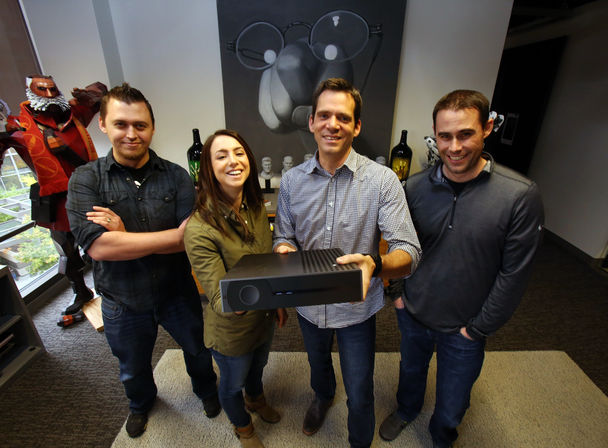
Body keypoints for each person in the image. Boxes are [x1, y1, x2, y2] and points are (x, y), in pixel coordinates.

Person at [378, 90, 544, 448]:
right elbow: (395, 246)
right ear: (435, 136)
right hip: (414, 312)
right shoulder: (413, 188)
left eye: (465, 134)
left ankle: (442, 436)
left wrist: (478, 328)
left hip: (466, 325)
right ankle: (406, 410)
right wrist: (398, 296)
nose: (454, 147)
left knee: (453, 400)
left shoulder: (519, 196)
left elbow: (514, 274)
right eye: (445, 136)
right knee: (410, 371)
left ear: (487, 128)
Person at [273, 78, 421, 448]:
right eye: (324, 115)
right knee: (318, 366)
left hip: (356, 308)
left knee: (360, 389)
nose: (332, 124)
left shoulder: (383, 181)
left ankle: (358, 441)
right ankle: (322, 397)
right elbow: (283, 236)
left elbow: (409, 250)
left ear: (356, 126)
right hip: (309, 305)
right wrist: (284, 249)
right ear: (311, 122)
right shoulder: (291, 182)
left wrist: (376, 264)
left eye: (343, 117)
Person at [65, 83, 219, 438]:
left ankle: (207, 391)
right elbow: (99, 248)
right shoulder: (85, 180)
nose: (131, 134)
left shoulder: (177, 176)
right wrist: (163, 238)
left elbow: (188, 240)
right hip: (122, 298)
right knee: (132, 367)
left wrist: (123, 235)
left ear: (152, 127)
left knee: (198, 351)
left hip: (177, 292)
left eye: (140, 125)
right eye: (121, 124)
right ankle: (140, 405)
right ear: (103, 124)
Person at [184, 129, 288, 448]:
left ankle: (256, 399)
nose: (233, 161)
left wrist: (277, 300)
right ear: (208, 168)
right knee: (232, 385)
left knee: (258, 369)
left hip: (263, 318)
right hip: (232, 330)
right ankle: (244, 429)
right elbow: (220, 298)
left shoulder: (255, 207)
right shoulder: (199, 229)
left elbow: (267, 262)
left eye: (239, 153)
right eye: (222, 155)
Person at [0, 75, 106, 314]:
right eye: (42, 90)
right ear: (31, 91)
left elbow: (101, 92)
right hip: (56, 199)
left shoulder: (73, 114)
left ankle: (107, 289)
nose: (49, 95)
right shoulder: (18, 125)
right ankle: (80, 291)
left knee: (100, 243)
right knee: (66, 251)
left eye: (52, 89)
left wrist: (89, 94)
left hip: (89, 190)